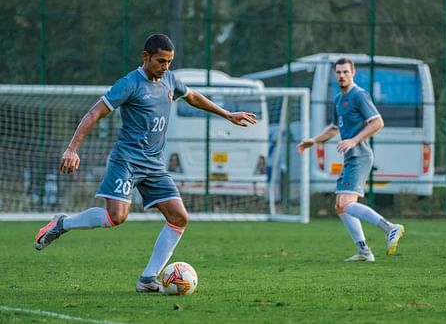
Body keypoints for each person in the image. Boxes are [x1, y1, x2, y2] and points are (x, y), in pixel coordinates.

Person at [34, 34, 257, 291]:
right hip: (126, 161)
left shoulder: (170, 80)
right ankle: (62, 223)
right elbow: (94, 112)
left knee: (179, 217)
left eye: (169, 62)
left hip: (154, 164)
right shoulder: (129, 83)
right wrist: (72, 148)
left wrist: (227, 114)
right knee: (115, 217)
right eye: (161, 61)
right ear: (146, 57)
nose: (165, 67)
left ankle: (147, 279)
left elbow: (193, 97)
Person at [296, 57, 404, 262]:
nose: (341, 76)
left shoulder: (359, 95)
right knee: (340, 206)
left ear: (353, 73)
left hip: (360, 155)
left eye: (345, 72)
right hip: (350, 157)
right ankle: (364, 251)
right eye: (338, 72)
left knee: (345, 204)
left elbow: (377, 122)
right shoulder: (338, 99)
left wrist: (354, 140)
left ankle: (390, 228)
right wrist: (313, 140)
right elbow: (334, 128)